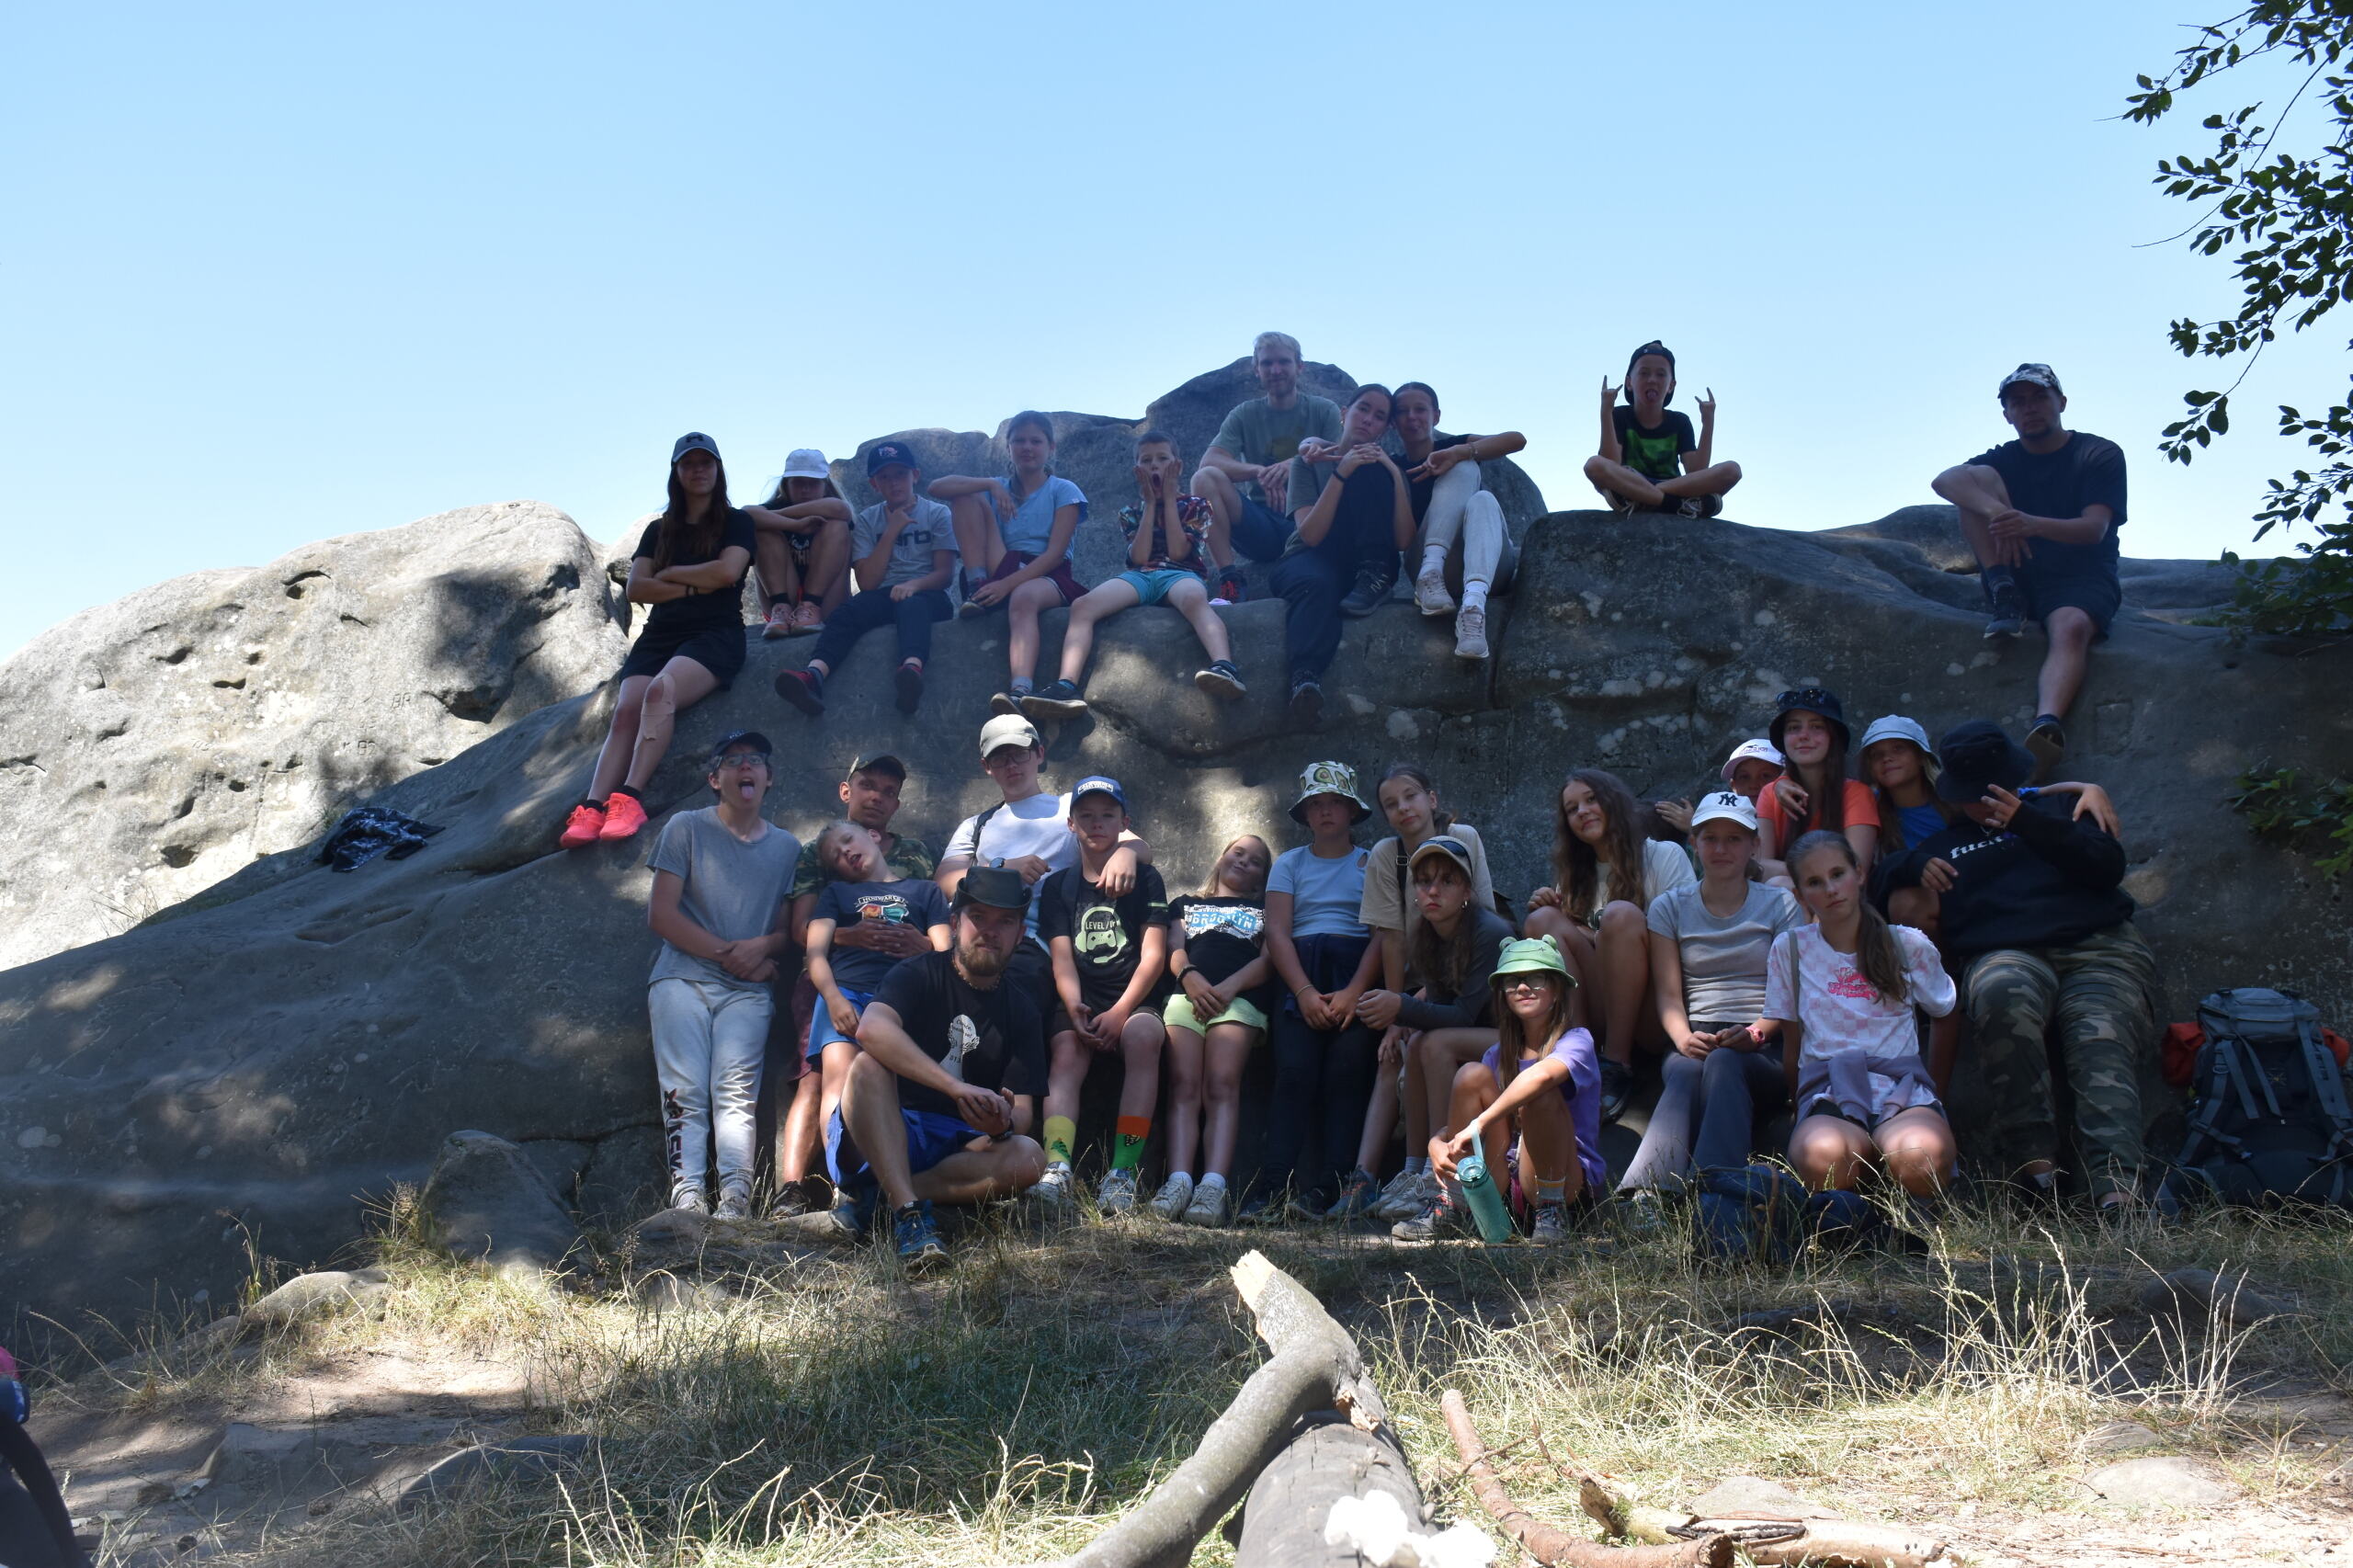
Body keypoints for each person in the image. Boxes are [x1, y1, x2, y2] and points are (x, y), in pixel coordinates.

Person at [1881, 721, 2156, 1211]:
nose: (1982, 803)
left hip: (2098, 948)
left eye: (1991, 791)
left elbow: (2107, 866)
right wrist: (1908, 866)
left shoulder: (2061, 808)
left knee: (2099, 1036)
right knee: (1999, 992)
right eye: (1970, 794)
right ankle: (2037, 1177)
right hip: (2009, 952)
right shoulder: (1946, 843)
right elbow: (1871, 881)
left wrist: (2027, 819)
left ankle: (2118, 1194)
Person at [827, 865, 1051, 1269]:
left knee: (1031, 1157)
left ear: (1020, 934)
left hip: (958, 1145)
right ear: (954, 923)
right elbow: (872, 1030)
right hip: (888, 1125)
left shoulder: (1022, 1008)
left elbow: (1023, 1113)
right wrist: (956, 1088)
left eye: (1005, 921)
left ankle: (882, 1201)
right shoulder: (917, 973)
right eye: (977, 917)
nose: (989, 930)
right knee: (866, 1068)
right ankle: (912, 1219)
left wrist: (1000, 1123)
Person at [561, 433, 760, 849]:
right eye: (689, 464)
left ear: (719, 469)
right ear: (676, 472)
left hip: (715, 634)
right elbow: (636, 588)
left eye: (706, 463)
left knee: (659, 691)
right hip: (660, 635)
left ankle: (630, 798)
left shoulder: (736, 521)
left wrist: (669, 576)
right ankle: (593, 806)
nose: (699, 471)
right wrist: (692, 585)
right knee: (626, 710)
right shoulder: (659, 529)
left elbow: (726, 573)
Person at [1930, 364, 2129, 770]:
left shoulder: (2098, 453)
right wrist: (2002, 514)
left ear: (2061, 402)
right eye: (2017, 402)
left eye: (2039, 397)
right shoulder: (2003, 460)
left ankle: (2047, 724)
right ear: (2006, 414)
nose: (2029, 408)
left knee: (2071, 626)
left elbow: (2094, 529)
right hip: (2016, 571)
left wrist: (2031, 524)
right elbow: (1945, 481)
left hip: (2082, 575)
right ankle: (2004, 593)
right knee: (1975, 480)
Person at [769, 753, 937, 1212]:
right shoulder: (820, 854)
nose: (876, 797)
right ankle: (796, 1185)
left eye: (888, 791)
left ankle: (887, 1179)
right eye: (867, 785)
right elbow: (802, 931)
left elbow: (936, 917)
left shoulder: (916, 854)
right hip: (833, 980)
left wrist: (921, 947)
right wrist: (851, 935)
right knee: (817, 1075)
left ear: (897, 804)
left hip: (900, 983)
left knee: (895, 1075)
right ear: (847, 791)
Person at [643, 732, 800, 1220]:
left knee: (736, 1092)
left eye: (755, 760)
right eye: (732, 762)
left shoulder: (788, 847)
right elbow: (661, 916)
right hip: (680, 979)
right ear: (715, 779)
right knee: (683, 1088)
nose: (745, 768)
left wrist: (763, 951)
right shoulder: (685, 828)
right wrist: (726, 953)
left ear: (769, 778)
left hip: (748, 991)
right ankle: (686, 1197)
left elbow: (786, 929)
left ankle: (736, 1200)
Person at [1618, 792, 1805, 1197]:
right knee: (1685, 1070)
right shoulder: (1670, 906)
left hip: (1763, 1041)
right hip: (1696, 1034)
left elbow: (1788, 992)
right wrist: (1684, 1038)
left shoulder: (1779, 903)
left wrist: (1756, 1033)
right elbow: (1669, 994)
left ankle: (1714, 1189)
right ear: (1695, 844)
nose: (1721, 849)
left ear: (1755, 846)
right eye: (1710, 838)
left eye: (1734, 839)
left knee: (1723, 1061)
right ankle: (1649, 1194)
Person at [1768, 832, 1960, 1199]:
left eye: (1838, 874)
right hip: (1828, 1090)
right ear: (1799, 894)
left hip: (1902, 1089)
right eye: (1814, 882)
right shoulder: (1790, 949)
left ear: (1859, 873)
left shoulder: (1907, 943)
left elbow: (1946, 1011)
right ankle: (1855, 1206)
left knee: (1922, 1155)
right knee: (1823, 1157)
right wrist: (1800, 1106)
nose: (1830, 889)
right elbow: (1792, 1043)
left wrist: (1937, 1091)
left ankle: (1909, 1204)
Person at [1351, 766, 1500, 1221]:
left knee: (1431, 1040)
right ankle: (1415, 1171)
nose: (1433, 891)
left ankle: (1445, 1178)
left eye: (1447, 881)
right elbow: (1397, 945)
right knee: (1414, 1042)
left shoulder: (1486, 930)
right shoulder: (1429, 933)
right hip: (1451, 1014)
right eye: (1423, 883)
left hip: (1497, 1030)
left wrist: (1404, 1007)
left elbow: (1467, 1011)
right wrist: (1402, 1014)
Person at [1018, 430, 1245, 719]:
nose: (1155, 466)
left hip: (1181, 574)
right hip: (1141, 575)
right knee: (1083, 606)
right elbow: (1139, 558)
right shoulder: (1130, 512)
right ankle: (1067, 684)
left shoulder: (1197, 505)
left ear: (1177, 465)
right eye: (1146, 460)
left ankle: (1224, 665)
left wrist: (1169, 496)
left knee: (1193, 599)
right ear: (1137, 469)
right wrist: (1151, 504)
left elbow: (1178, 552)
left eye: (1162, 459)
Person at [936, 715, 1151, 1017]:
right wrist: (1002, 868)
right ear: (987, 767)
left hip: (1037, 942)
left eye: (1019, 754)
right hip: (972, 935)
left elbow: (1139, 846)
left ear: (1039, 754)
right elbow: (945, 878)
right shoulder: (978, 824)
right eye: (1000, 758)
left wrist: (1125, 854)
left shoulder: (1070, 808)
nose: (1011, 765)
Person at [1395, 937, 1602, 1244]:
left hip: (1563, 1188)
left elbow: (1543, 1077)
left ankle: (1552, 1213)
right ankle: (1454, 1203)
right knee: (1470, 1075)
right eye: (1512, 981)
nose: (1522, 987)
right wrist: (1438, 1143)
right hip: (1504, 1183)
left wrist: (1479, 1124)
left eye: (1536, 977)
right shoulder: (1497, 1054)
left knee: (1539, 1091)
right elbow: (1465, 1123)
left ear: (1558, 990)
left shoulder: (1577, 1040)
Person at [1525, 767, 1697, 1121]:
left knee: (1620, 916)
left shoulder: (1664, 856)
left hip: (1656, 1008)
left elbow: (1680, 941)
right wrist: (1555, 910)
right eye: (1572, 809)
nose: (1583, 811)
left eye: (1591, 799)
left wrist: (1593, 934)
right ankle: (1579, 1054)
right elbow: (1582, 945)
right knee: (1540, 922)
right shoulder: (1575, 874)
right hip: (1601, 1004)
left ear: (1615, 802)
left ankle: (1617, 1063)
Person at [1032, 777, 1171, 1213]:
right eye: (1087, 816)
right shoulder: (1058, 886)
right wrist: (1074, 1006)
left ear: (1124, 823)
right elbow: (1061, 958)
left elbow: (1153, 956)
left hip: (1134, 995)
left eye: (1107, 815)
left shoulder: (1147, 879)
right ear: (1071, 824)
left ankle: (1124, 1171)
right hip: (1082, 994)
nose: (1097, 823)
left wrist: (1121, 1012)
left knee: (1144, 1037)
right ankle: (1057, 1167)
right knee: (1067, 1052)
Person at [1250, 762, 1381, 1221]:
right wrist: (1304, 991)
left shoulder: (1373, 862)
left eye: (1335, 803)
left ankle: (1329, 1187)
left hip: (1357, 972)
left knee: (1346, 1078)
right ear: (1305, 814)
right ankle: (1271, 1187)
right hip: (1298, 973)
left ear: (1351, 810)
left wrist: (1355, 991)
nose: (1326, 812)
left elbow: (1384, 935)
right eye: (1316, 804)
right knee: (1293, 1075)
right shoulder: (1289, 864)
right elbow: (1278, 933)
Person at [802, 818, 954, 1192]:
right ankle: (845, 1186)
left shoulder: (925, 891)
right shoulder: (836, 894)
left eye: (848, 840)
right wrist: (834, 998)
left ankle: (892, 1176)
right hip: (848, 992)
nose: (845, 853)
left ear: (873, 836)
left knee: (901, 1087)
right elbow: (815, 954)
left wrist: (923, 946)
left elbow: (946, 952)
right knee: (839, 1081)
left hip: (908, 999)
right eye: (835, 855)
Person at [774, 441, 958, 719]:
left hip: (928, 594)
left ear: (915, 476)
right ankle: (814, 675)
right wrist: (891, 531)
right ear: (874, 484)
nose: (894, 483)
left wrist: (914, 585)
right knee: (848, 612)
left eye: (900, 474)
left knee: (912, 606)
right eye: (885, 477)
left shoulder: (937, 513)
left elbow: (945, 574)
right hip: (883, 593)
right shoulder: (869, 520)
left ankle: (910, 671)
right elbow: (869, 582)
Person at [1271, 384, 1415, 727]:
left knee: (1371, 467)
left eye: (1379, 416)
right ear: (1343, 413)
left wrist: (1395, 475)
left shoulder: (1385, 468)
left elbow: (1404, 538)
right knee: (1318, 584)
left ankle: (1376, 575)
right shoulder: (1306, 463)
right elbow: (1309, 534)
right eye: (1363, 409)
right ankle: (1304, 677)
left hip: (1364, 567)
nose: (1368, 420)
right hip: (1309, 558)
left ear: (1386, 428)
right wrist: (1341, 471)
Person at [926, 412, 1090, 711]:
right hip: (999, 564)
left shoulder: (1063, 490)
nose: (1027, 447)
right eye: (1019, 441)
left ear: (1050, 447)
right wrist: (989, 484)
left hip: (1046, 573)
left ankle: (1019, 690)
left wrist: (1005, 586)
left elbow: (1054, 554)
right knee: (965, 497)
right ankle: (978, 585)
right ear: (1009, 447)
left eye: (1036, 441)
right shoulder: (997, 486)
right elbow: (936, 487)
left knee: (1024, 597)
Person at [1155, 834, 1276, 1226]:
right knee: (1183, 1085)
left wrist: (1229, 987)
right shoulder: (1187, 904)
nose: (1243, 861)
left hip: (1238, 999)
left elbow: (1269, 959)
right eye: (1237, 853)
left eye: (1255, 860)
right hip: (1188, 996)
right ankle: (1178, 1180)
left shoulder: (1266, 908)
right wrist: (1190, 978)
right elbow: (1174, 948)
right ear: (1221, 857)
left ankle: (1213, 1185)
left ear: (1263, 876)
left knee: (1222, 1083)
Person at [1191, 331, 1345, 599]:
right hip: (1261, 524)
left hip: (1311, 519)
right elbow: (1210, 461)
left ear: (1299, 366)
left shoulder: (1324, 410)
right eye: (1267, 363)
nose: (1275, 370)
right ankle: (1230, 578)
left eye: (1284, 362)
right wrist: (1259, 471)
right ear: (1256, 370)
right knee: (1204, 478)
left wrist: (1295, 464)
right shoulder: (1244, 414)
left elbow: (1341, 453)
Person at [1389, 381, 1527, 660]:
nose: (1412, 417)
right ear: (1393, 421)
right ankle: (1431, 572)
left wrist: (1461, 452)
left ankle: (1473, 608)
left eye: (1420, 409)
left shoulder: (1454, 446)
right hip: (1425, 571)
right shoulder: (1393, 464)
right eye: (1403, 411)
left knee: (1482, 497)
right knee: (1468, 472)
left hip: (1486, 568)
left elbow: (1517, 439)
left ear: (1436, 416)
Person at [1583, 341, 1742, 517]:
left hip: (1671, 486)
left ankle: (1644, 498)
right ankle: (1677, 505)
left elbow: (1696, 471)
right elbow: (1611, 461)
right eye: (1644, 373)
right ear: (1629, 382)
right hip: (1631, 479)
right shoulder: (1620, 415)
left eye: (1660, 374)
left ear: (1671, 386)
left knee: (1732, 470)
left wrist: (1708, 423)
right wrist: (1606, 412)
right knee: (1594, 465)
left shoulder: (1680, 421)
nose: (1652, 380)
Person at [1755, 688, 1880, 885]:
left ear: (1833, 738)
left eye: (1817, 727)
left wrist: (1795, 873)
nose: (1804, 736)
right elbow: (1758, 866)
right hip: (1790, 901)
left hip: (1843, 904)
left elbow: (1856, 869)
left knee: (1780, 882)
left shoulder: (1856, 793)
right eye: (1794, 728)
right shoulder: (1770, 793)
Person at [752, 447, 854, 639]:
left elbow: (841, 509)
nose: (806, 490)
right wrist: (794, 524)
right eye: (798, 483)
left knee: (837, 527)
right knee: (764, 530)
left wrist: (772, 517)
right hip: (782, 599)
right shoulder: (774, 506)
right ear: (786, 484)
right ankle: (781, 608)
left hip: (825, 602)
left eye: (813, 483)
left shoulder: (833, 507)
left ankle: (810, 605)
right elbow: (745, 515)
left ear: (825, 484)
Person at [1719, 738, 1785, 805]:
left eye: (1765, 776)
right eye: (1744, 777)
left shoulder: (1794, 813)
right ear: (1733, 786)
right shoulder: (1721, 815)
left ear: (1784, 779)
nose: (1753, 785)